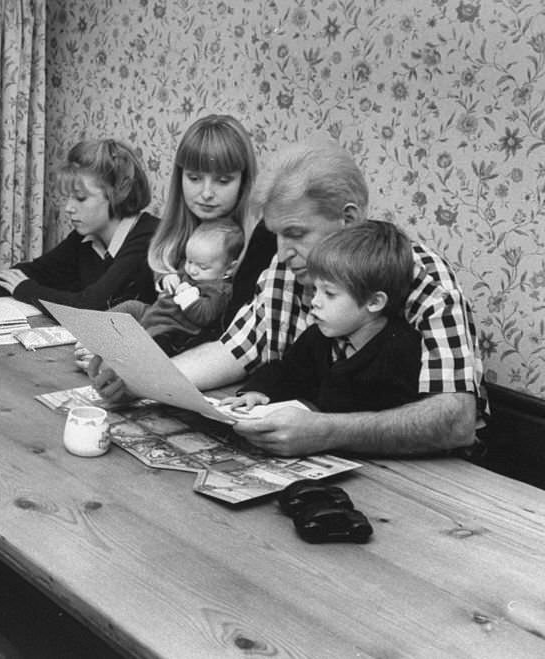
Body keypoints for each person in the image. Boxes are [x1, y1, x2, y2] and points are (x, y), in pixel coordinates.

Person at [90, 138, 485, 457]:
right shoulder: (285, 269)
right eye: (276, 233)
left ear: (348, 219)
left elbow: (456, 420)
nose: (281, 252)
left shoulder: (422, 278)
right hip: (310, 457)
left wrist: (328, 432)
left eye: (296, 233)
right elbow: (231, 351)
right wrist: (142, 380)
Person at [0, 138, 159, 310]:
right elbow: (37, 272)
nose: (69, 207)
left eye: (80, 198)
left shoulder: (147, 237)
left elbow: (92, 305)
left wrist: (27, 291)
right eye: (68, 197)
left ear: (118, 194)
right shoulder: (85, 237)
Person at [221, 221, 422, 413]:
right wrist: (257, 392)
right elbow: (285, 372)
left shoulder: (401, 351)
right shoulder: (318, 336)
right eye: (316, 290)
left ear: (374, 302)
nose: (315, 301)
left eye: (330, 294)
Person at [147, 114, 274, 335]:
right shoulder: (171, 241)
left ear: (243, 182)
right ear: (180, 178)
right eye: (194, 178)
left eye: (223, 180)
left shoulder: (261, 244)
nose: (206, 193)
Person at [112, 222, 243, 355]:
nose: (192, 270)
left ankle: (121, 357)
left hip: (173, 328)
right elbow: (172, 278)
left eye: (202, 267)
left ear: (229, 268)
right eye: (189, 261)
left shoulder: (219, 290)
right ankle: (96, 331)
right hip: (154, 313)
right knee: (131, 306)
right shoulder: (191, 272)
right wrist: (169, 278)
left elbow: (205, 315)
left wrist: (188, 296)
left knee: (148, 344)